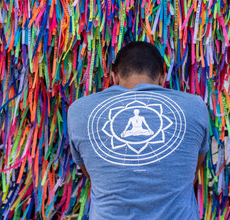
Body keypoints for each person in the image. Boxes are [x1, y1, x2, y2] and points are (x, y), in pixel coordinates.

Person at [67, 41, 210, 219]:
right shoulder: (195, 106)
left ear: (114, 77)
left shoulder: (78, 111)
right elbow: (193, 166)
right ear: (163, 77)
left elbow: (90, 172)